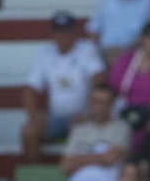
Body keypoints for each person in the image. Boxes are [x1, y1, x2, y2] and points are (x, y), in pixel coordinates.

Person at [20, 13, 106, 162]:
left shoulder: (86, 49)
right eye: (59, 32)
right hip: (55, 117)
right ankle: (37, 175)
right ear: (53, 34)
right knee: (29, 131)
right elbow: (29, 90)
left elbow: (98, 80)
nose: (63, 36)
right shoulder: (45, 53)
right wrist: (33, 117)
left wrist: (89, 113)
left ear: (74, 33)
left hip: (82, 116)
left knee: (78, 130)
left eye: (67, 32)